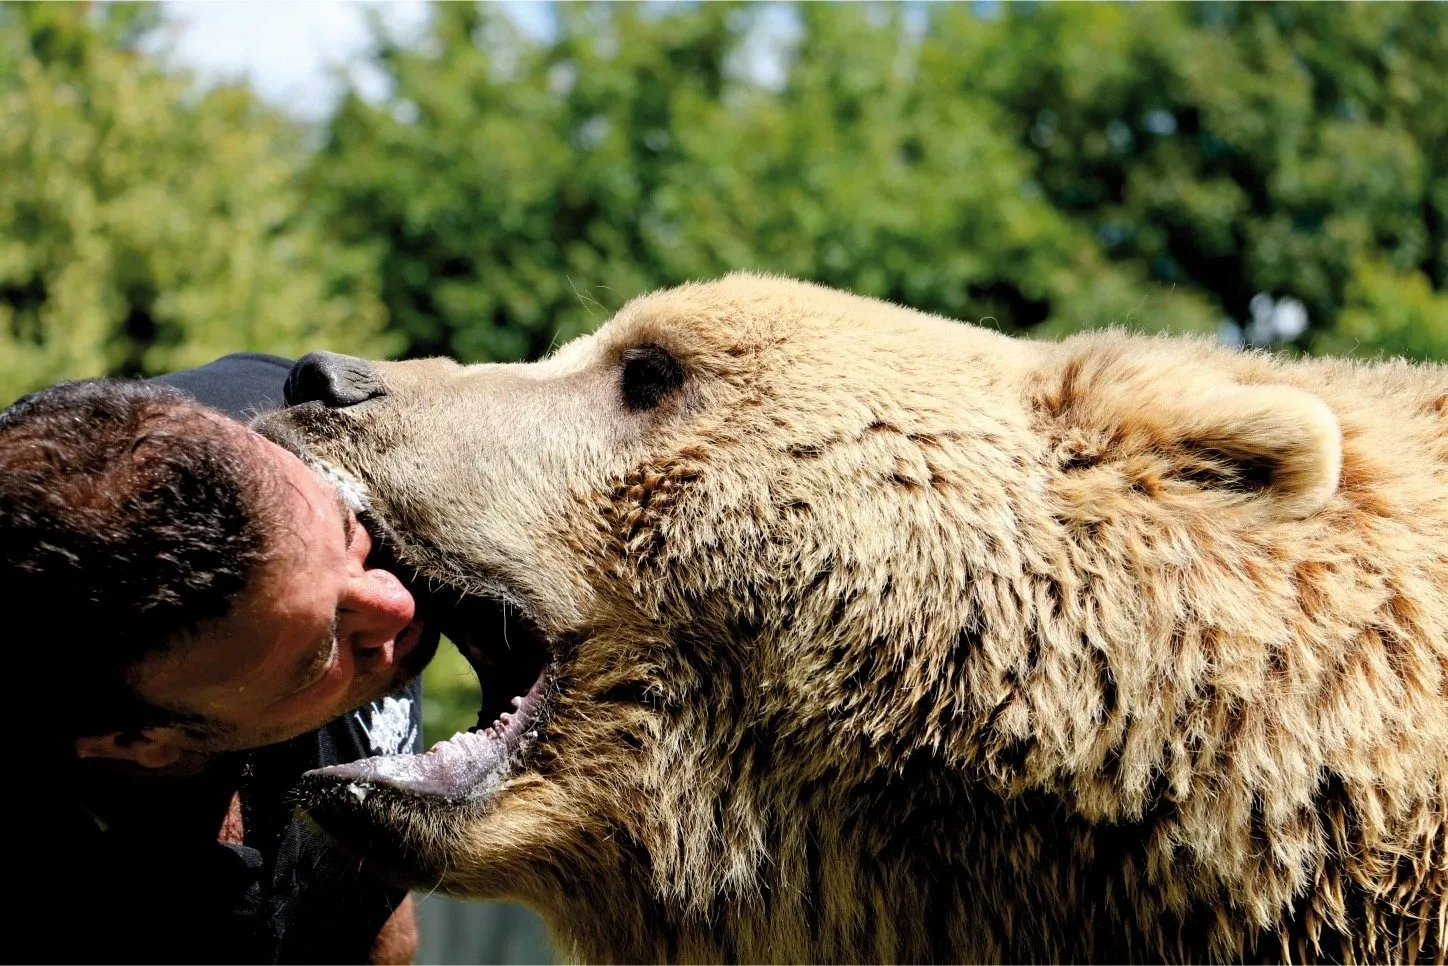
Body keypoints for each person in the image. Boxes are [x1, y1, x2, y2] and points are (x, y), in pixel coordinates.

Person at [0, 354, 437, 964]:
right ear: (135, 742)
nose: (398, 602)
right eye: (320, 649)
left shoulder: (312, 424)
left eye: (348, 531)